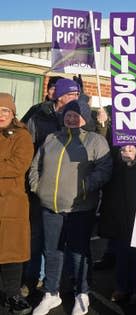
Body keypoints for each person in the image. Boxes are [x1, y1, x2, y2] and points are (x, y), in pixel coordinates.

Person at [29, 100, 112, 315]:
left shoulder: (95, 140)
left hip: (79, 208)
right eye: (68, 114)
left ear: (86, 117)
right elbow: (36, 165)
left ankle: (81, 292)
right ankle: (51, 293)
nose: (72, 118)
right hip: (50, 207)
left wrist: (84, 188)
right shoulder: (51, 138)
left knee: (78, 253)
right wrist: (37, 187)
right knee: (52, 251)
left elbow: (104, 169)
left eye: (77, 114)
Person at [98, 144, 136, 307]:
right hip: (119, 213)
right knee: (121, 253)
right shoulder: (114, 162)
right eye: (122, 149)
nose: (126, 152)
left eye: (131, 149)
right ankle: (121, 287)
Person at [0, 93, 34, 315]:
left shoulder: (22, 136)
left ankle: (12, 296)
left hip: (10, 205)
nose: (0, 115)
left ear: (12, 113)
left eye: (4, 111)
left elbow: (17, 166)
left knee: (10, 255)